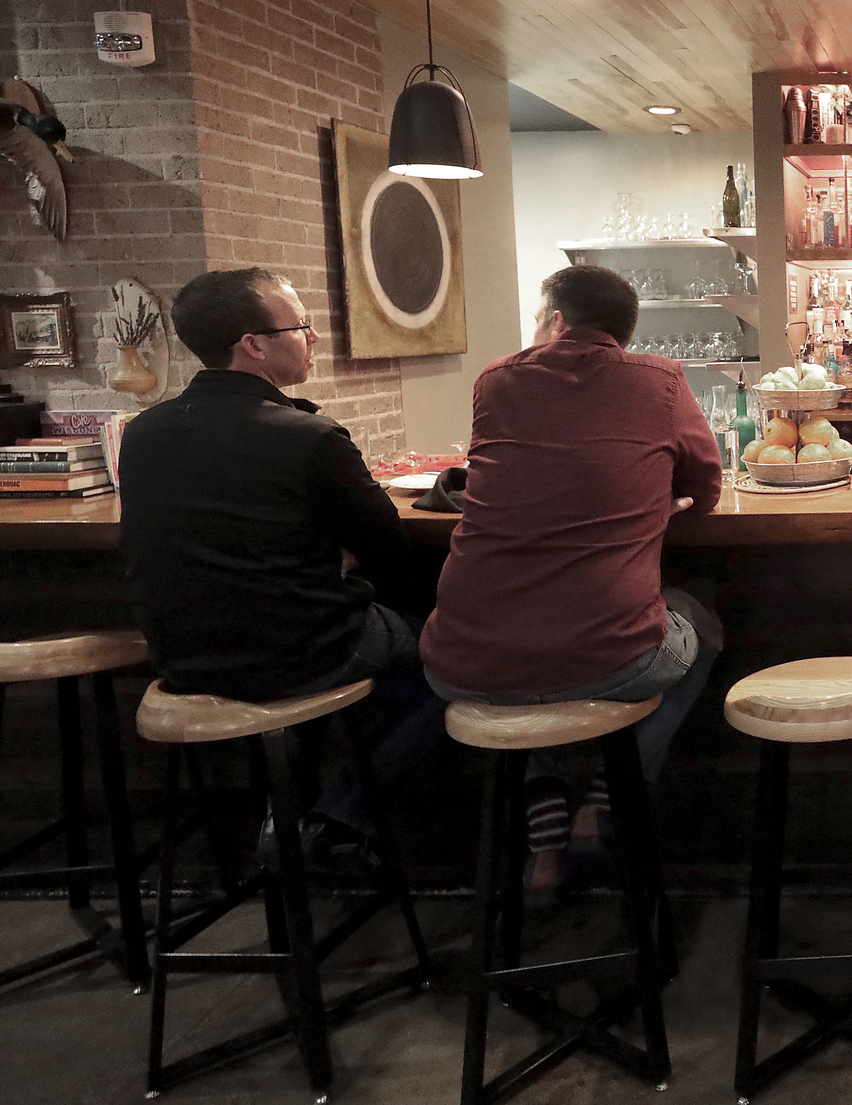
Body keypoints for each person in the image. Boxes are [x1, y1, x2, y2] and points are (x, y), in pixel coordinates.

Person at [120, 267, 440, 866]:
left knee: (308, 627)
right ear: (255, 345)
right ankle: (339, 816)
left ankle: (284, 816)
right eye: (302, 326)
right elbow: (391, 546)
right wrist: (333, 558)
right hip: (301, 652)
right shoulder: (308, 437)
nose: (313, 337)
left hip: (182, 660)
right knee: (453, 663)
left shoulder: (142, 433)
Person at [421, 265, 724, 895]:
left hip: (464, 660)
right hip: (608, 657)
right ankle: (608, 793)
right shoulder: (662, 380)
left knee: (530, 660)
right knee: (699, 619)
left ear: (556, 321)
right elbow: (706, 487)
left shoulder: (496, 381)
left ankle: (544, 826)